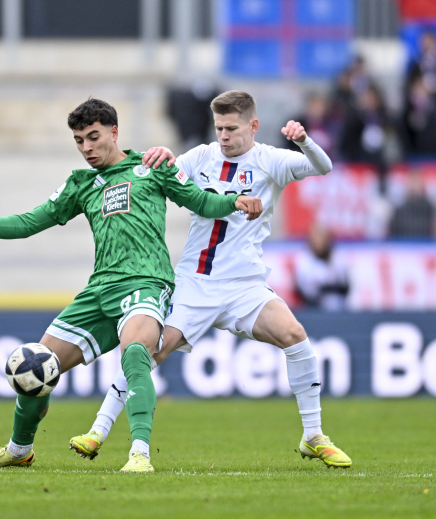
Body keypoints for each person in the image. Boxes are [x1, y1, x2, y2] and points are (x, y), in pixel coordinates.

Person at [0, 98, 263, 473]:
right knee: (35, 367)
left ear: (114, 132)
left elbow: (200, 202)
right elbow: (28, 223)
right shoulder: (81, 184)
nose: (87, 148)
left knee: (136, 352)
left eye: (93, 137)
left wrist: (234, 201)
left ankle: (139, 453)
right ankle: (18, 449)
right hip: (99, 292)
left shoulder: (152, 166)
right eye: (79, 141)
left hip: (145, 282)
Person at [68, 91, 353, 468]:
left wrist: (303, 141)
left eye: (231, 128)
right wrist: (157, 155)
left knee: (294, 336)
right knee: (149, 351)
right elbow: (160, 172)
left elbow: (324, 166)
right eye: (218, 127)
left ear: (252, 125)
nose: (223, 136)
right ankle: (98, 431)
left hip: (244, 285)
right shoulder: (200, 157)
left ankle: (314, 436)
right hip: (195, 283)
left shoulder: (272, 161)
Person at [294, 225, 350, 311]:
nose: (320, 242)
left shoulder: (338, 258)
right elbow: (302, 291)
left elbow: (345, 287)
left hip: (339, 308)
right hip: (313, 309)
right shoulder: (304, 261)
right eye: (316, 239)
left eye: (322, 239)